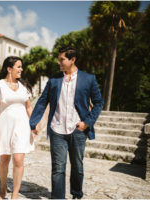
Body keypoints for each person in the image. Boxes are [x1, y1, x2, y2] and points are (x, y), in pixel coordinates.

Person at [30, 46, 104, 199]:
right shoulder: (54, 80)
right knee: (58, 168)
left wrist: (87, 122)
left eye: (62, 59)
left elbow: (98, 103)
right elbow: (43, 101)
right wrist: (34, 122)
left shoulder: (88, 79)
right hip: (57, 129)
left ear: (72, 60)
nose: (59, 63)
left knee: (77, 166)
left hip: (78, 130)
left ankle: (76, 194)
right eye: (59, 60)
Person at [0, 56, 35, 199]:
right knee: (4, 159)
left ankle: (15, 194)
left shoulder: (24, 87)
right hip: (5, 126)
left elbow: (29, 107)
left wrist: (34, 124)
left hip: (22, 126)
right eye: (18, 66)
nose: (21, 69)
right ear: (9, 69)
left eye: (21, 66)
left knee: (19, 159)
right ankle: (3, 186)